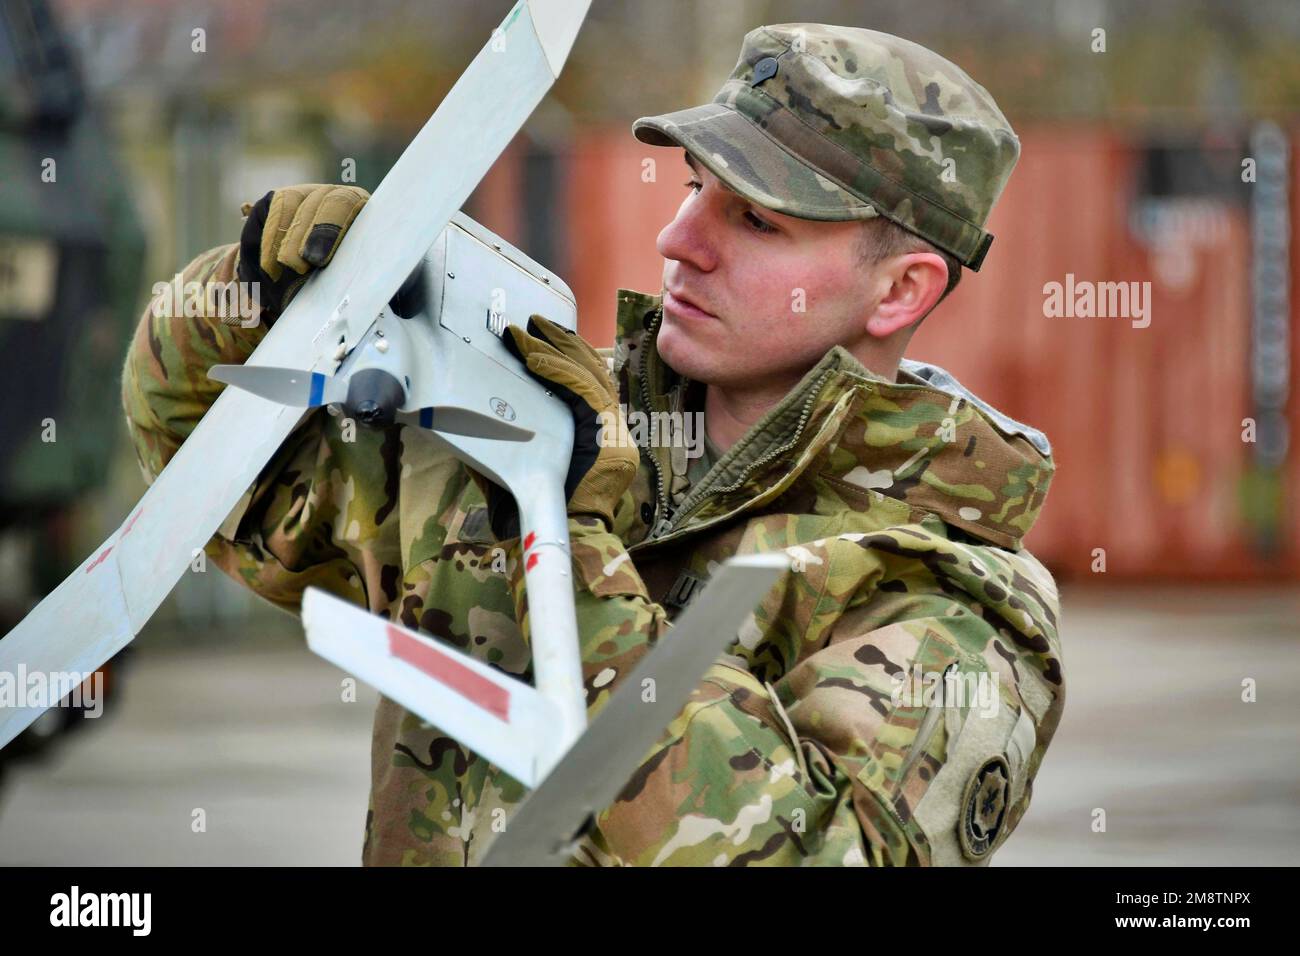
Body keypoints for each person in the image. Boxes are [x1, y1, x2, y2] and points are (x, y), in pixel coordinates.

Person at [121, 23, 1064, 866]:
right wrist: (255, 301)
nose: (677, 236)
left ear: (900, 291)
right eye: (696, 188)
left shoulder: (950, 600)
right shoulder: (527, 419)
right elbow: (202, 465)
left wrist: (565, 537)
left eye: (756, 219)